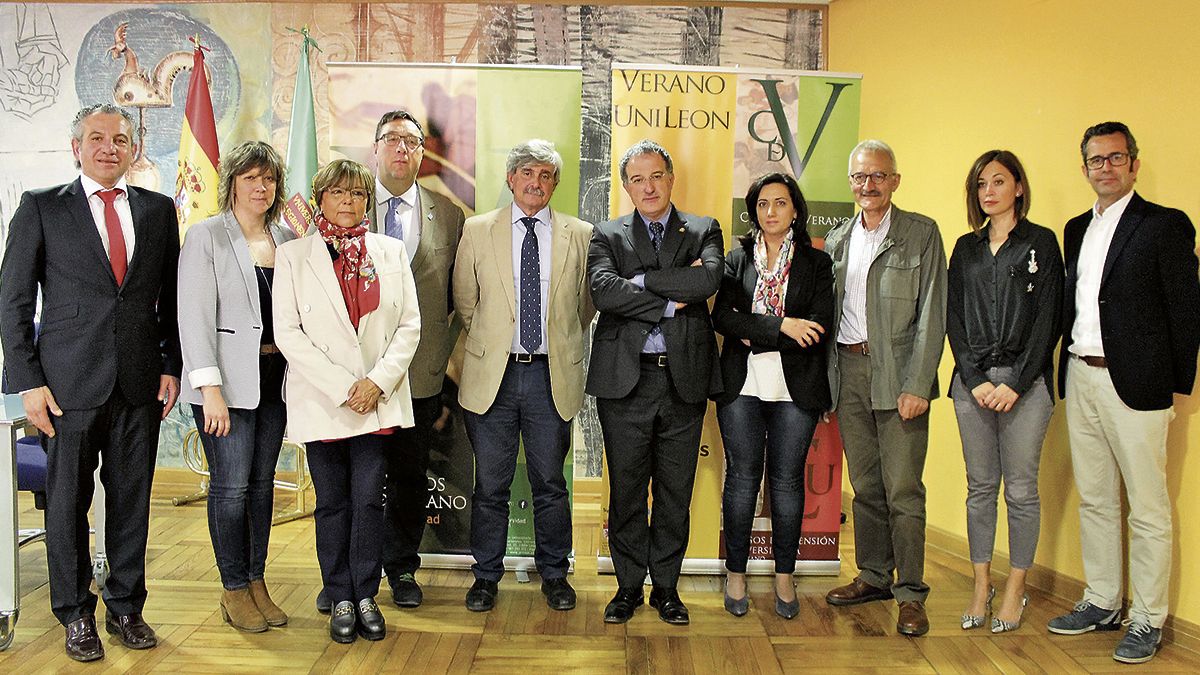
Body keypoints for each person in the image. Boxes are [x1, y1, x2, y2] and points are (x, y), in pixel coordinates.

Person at [0, 103, 181, 661]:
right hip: (65, 386)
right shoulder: (41, 208)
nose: (109, 148)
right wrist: (28, 382)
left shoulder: (157, 210)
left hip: (138, 384)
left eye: (120, 139)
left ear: (134, 148)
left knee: (132, 500)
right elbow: (12, 302)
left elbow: (170, 299)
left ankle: (126, 606)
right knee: (66, 503)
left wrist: (171, 364)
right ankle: (75, 613)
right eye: (97, 138)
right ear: (75, 147)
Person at [1048, 122, 1200, 664]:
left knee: (1148, 508)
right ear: (1084, 168)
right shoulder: (1074, 229)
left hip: (1137, 383)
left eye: (1115, 158)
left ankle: (1148, 619)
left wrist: (1176, 387)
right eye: (1095, 160)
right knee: (1095, 497)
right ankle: (1103, 600)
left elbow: (1186, 312)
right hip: (1081, 376)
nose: (1105, 168)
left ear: (1134, 164)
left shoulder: (1164, 225)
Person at [272, 159, 421, 644]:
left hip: (376, 401)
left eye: (358, 195)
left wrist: (375, 382)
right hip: (324, 403)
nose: (349, 203)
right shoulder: (293, 256)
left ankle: (365, 595)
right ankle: (338, 594)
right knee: (333, 504)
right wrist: (344, 387)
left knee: (368, 502)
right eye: (338, 193)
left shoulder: (390, 250)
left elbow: (409, 326)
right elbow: (288, 335)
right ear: (320, 199)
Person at [453, 139, 594, 613]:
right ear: (511, 179)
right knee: (489, 485)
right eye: (527, 173)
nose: (536, 183)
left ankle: (555, 574)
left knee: (550, 484)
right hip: (494, 376)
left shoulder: (581, 233)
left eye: (546, 175)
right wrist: (497, 345)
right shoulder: (477, 230)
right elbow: (465, 303)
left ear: (555, 183)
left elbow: (584, 306)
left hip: (550, 377)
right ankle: (486, 577)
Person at [587, 139, 723, 626]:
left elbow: (706, 283)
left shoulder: (704, 228)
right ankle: (627, 587)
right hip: (626, 381)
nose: (648, 186)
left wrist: (639, 282)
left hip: (683, 379)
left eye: (657, 176)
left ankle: (666, 587)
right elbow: (603, 291)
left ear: (671, 179)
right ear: (626, 187)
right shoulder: (606, 234)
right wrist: (668, 294)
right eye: (637, 179)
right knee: (625, 489)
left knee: (673, 491)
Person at [822, 139, 946, 637]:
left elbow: (932, 315)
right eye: (859, 177)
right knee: (866, 487)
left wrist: (918, 383)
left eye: (877, 176)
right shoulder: (838, 240)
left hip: (899, 377)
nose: (867, 185)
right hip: (849, 372)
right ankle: (874, 575)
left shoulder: (922, 234)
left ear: (895, 180)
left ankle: (912, 593)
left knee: (903, 489)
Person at [177, 140, 296, 632]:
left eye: (268, 179)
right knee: (231, 488)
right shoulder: (206, 236)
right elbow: (194, 316)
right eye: (250, 178)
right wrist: (210, 390)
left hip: (275, 379)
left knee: (263, 487)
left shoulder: (288, 239)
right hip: (223, 385)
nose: (260, 187)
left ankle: (256, 578)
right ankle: (232, 588)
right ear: (232, 183)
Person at [946, 150, 1062, 634]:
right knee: (979, 489)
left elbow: (1049, 321)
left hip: (1026, 385)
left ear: (1018, 187)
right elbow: (952, 318)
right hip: (971, 386)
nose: (988, 191)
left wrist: (1014, 381)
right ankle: (980, 584)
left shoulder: (1041, 243)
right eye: (980, 184)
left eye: (998, 181)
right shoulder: (965, 247)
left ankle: (1016, 586)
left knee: (1020, 490)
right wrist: (976, 381)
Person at [711, 172, 833, 619]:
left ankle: (785, 574)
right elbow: (723, 318)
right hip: (741, 385)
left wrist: (755, 329)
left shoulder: (817, 264)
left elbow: (817, 327)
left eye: (779, 203)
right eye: (762, 204)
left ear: (795, 209)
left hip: (795, 386)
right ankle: (736, 572)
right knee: (742, 479)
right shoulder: (737, 257)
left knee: (785, 482)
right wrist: (781, 325)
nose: (770, 212)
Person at [370, 110, 465, 610]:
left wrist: (442, 357)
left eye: (412, 141)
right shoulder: (346, 204)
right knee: (358, 480)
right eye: (392, 140)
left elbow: (461, 301)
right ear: (376, 148)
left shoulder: (449, 215)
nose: (402, 149)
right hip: (358, 378)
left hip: (421, 377)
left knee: (409, 478)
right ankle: (349, 579)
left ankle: (402, 569)